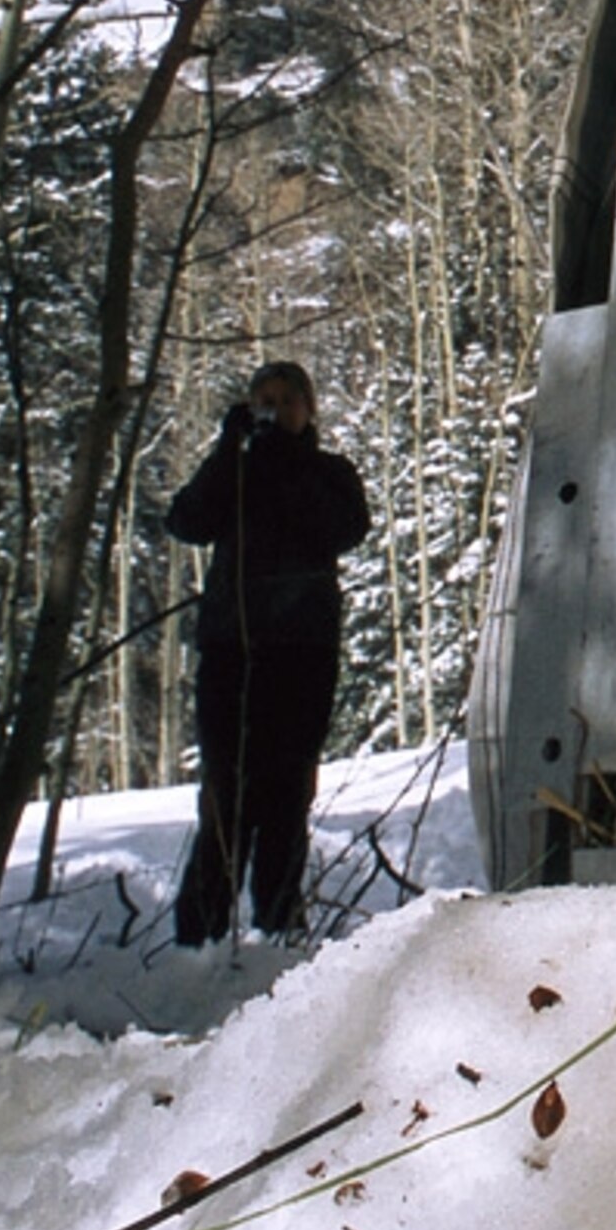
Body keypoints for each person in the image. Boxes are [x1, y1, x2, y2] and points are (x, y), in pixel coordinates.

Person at [166, 359, 370, 945]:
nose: (275, 410)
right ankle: (200, 935)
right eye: (265, 400)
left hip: (302, 653)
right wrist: (229, 451)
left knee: (286, 793)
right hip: (233, 650)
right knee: (226, 792)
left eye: (286, 400)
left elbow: (344, 527)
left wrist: (285, 461)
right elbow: (186, 520)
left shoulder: (328, 473)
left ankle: (279, 925)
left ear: (308, 409)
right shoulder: (235, 471)